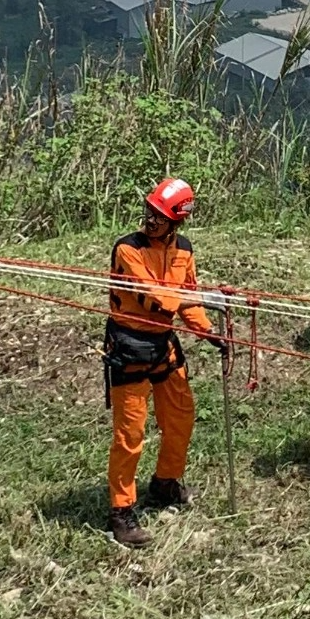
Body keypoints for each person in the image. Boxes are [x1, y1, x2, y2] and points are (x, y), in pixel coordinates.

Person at [103, 177, 222, 548]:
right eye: (150, 212)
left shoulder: (184, 250)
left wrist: (211, 332)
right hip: (129, 343)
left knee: (181, 417)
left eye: (160, 215)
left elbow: (188, 298)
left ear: (178, 220)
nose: (151, 220)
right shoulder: (128, 249)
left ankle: (165, 483)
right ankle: (121, 511)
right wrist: (205, 298)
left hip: (163, 344)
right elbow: (157, 298)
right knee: (130, 434)